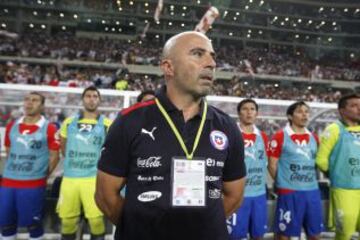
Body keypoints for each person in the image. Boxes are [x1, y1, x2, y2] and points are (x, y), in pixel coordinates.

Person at [95, 31, 246, 240]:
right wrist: (141, 229)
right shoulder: (129, 121)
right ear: (168, 67)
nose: (211, 63)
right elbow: (106, 197)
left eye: (212, 56)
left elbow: (234, 196)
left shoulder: (227, 127)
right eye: (198, 54)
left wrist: (197, 229)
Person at [0, 92, 60, 240]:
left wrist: (42, 174)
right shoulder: (11, 126)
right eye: (27, 99)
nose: (29, 103)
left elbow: (55, 156)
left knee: (33, 225)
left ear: (42, 105)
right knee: (6, 224)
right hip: (8, 182)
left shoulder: (49, 128)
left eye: (34, 100)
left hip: (33, 184)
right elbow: (9, 151)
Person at [57, 86, 112, 240]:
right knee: (68, 221)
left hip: (93, 179)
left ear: (99, 100)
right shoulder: (69, 122)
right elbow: (64, 150)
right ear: (83, 99)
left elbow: (110, 152)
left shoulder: (107, 123)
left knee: (96, 220)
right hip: (70, 178)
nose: (91, 99)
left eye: (95, 96)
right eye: (88, 96)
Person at [268, 101, 323, 240]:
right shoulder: (280, 136)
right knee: (284, 234)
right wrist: (283, 183)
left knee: (315, 233)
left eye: (306, 111)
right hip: (289, 192)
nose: (304, 114)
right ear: (290, 116)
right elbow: (272, 165)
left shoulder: (314, 137)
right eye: (300, 111)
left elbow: (317, 163)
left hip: (312, 191)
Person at [316, 93, 360, 240]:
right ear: (342, 110)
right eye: (354, 106)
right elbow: (321, 160)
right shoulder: (334, 129)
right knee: (344, 233)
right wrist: (336, 174)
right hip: (344, 189)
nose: (359, 109)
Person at [227, 99, 269, 239]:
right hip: (237, 195)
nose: (249, 112)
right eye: (245, 109)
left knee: (258, 235)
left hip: (259, 194)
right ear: (239, 113)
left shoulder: (263, 136)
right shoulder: (231, 134)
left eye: (252, 109)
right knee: (236, 236)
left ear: (257, 113)